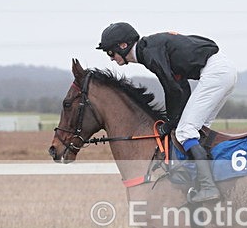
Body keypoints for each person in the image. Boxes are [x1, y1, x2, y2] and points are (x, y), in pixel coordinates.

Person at [96, 22, 237, 203]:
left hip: (215, 73)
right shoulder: (150, 48)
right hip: (222, 71)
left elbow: (173, 89)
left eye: (110, 52)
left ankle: (208, 187)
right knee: (196, 130)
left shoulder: (148, 53)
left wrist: (171, 122)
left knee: (185, 131)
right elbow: (181, 86)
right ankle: (206, 180)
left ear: (123, 46)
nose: (111, 58)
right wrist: (174, 120)